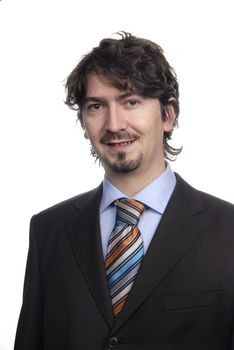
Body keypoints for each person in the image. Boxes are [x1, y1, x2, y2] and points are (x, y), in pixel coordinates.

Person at [14, 32, 234, 350]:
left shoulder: (228, 231)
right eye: (96, 106)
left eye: (131, 102)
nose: (115, 124)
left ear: (168, 115)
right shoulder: (49, 230)